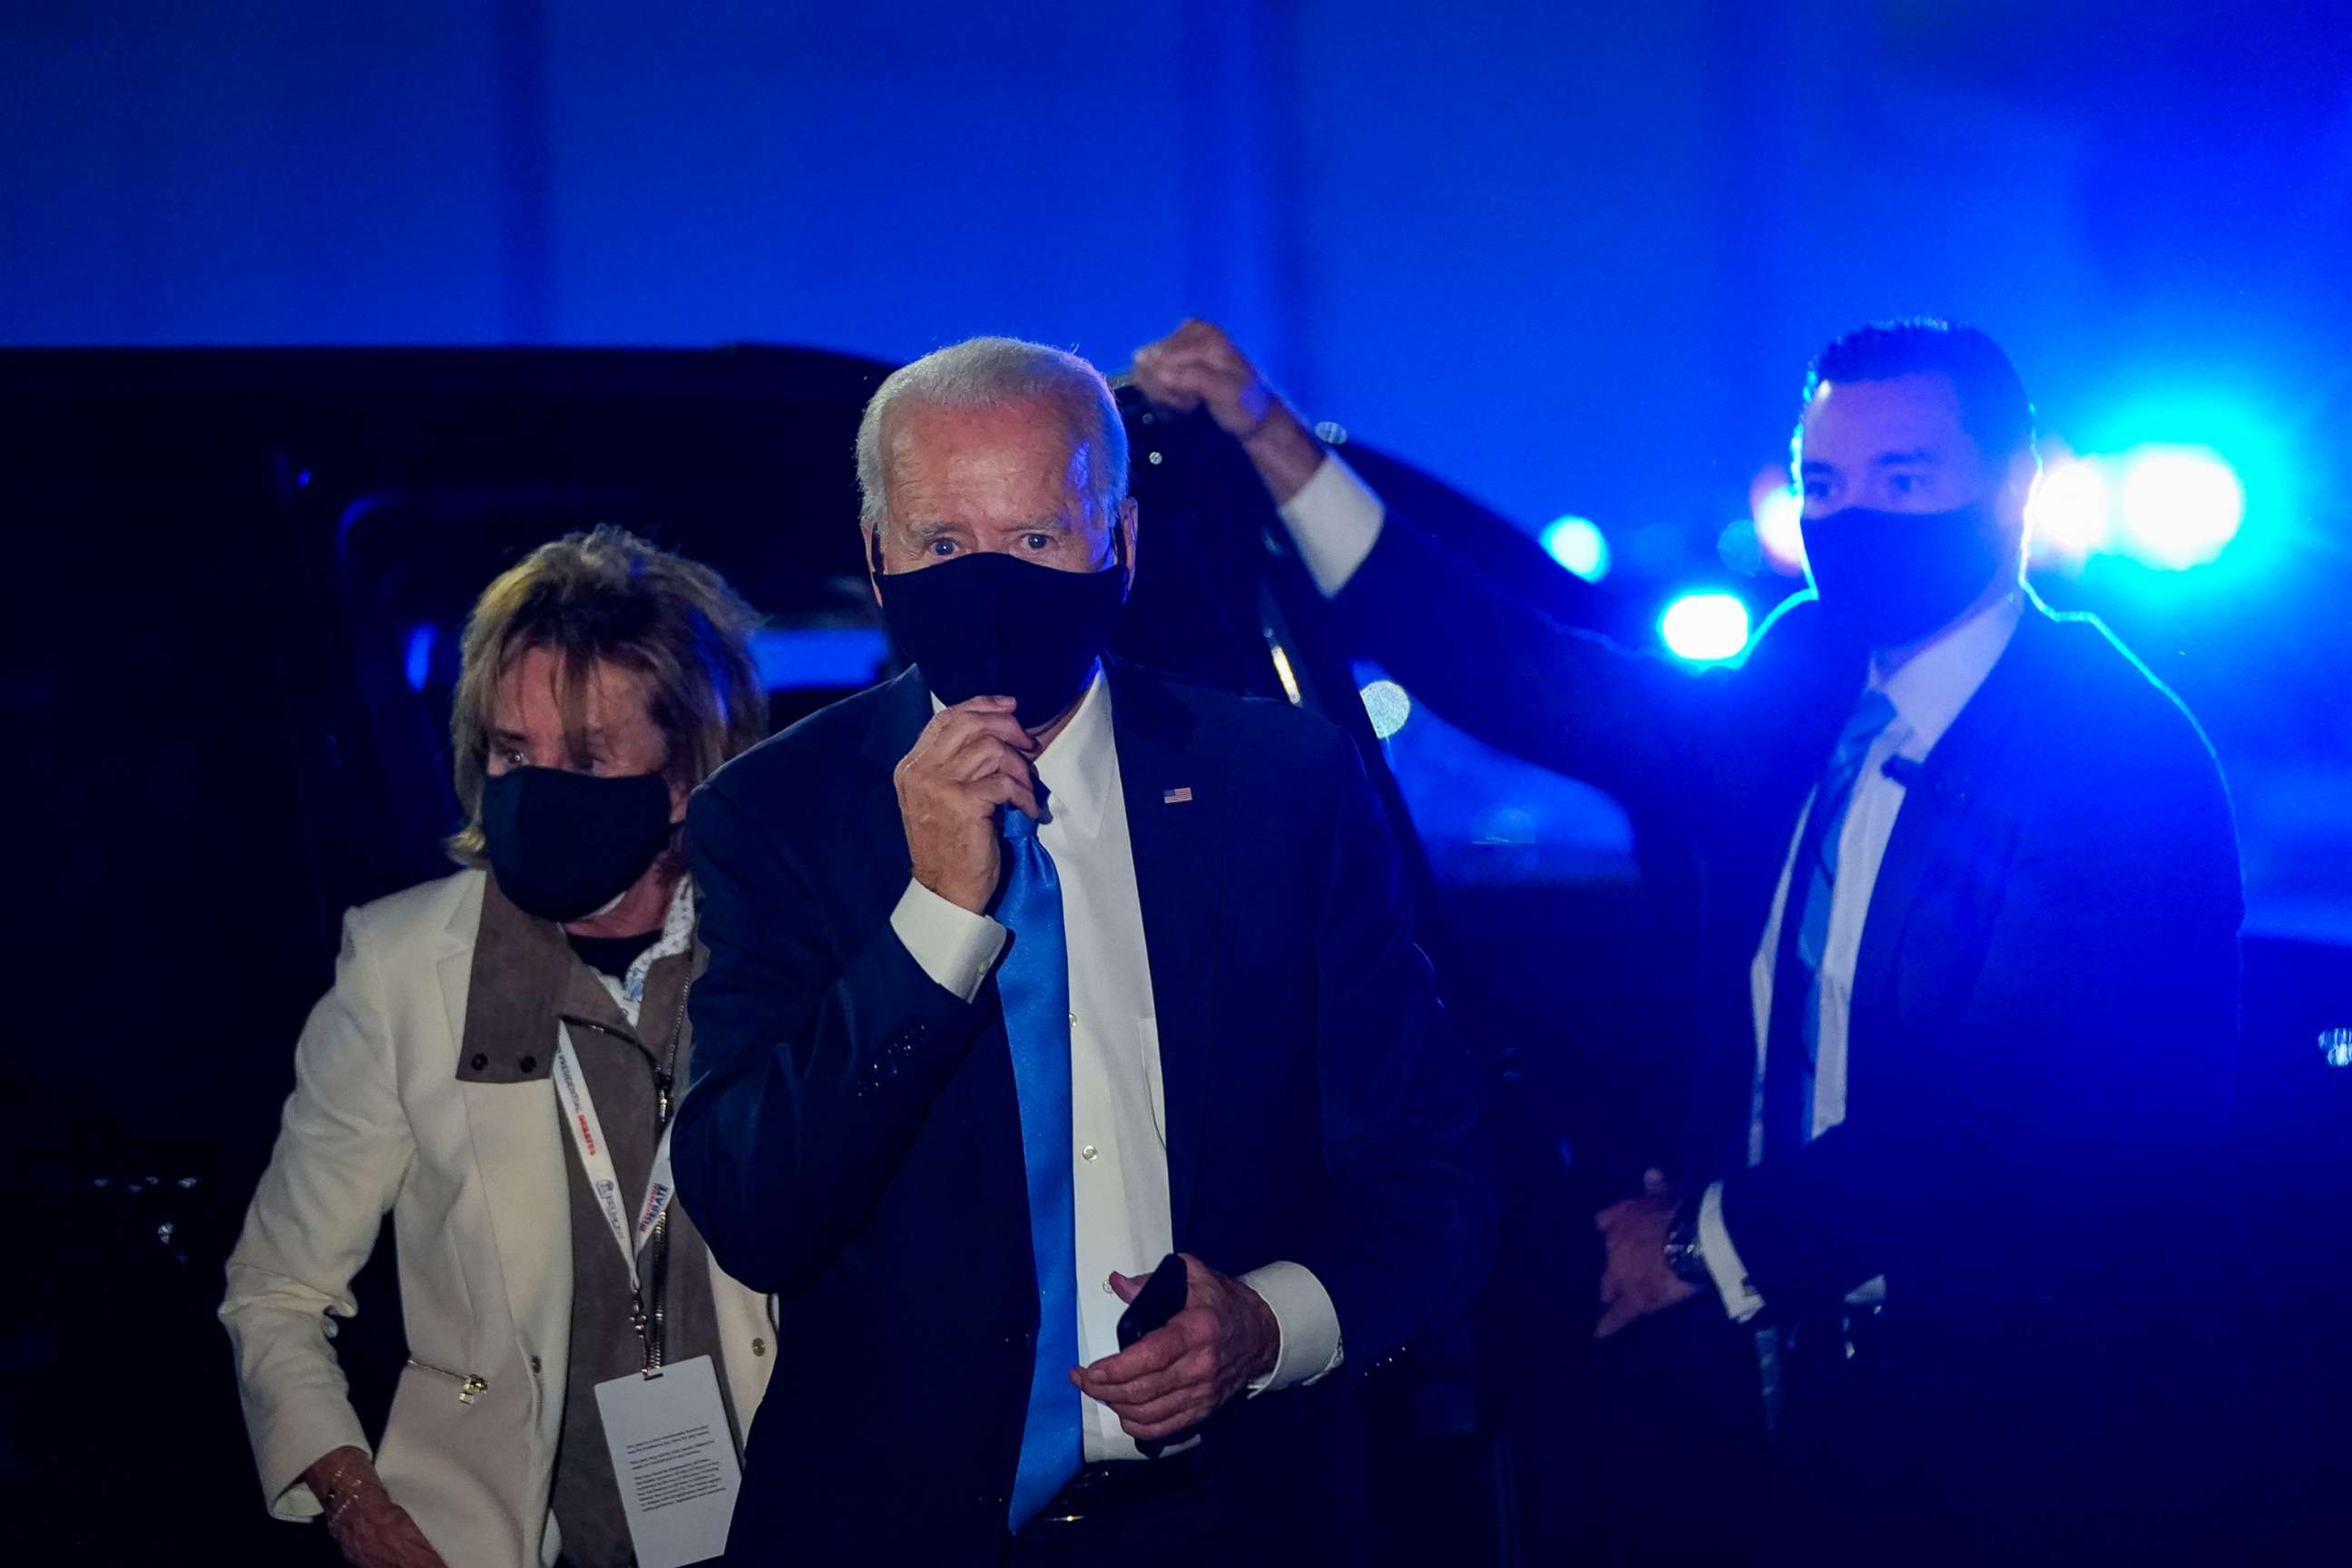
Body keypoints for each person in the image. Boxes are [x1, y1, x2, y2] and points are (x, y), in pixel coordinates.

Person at [1132, 318, 2244, 1561]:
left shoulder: (2118, 755)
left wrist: (1696, 1242)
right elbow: (1541, 683)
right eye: (1825, 483)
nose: (1856, 516)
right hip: (1780, 1373)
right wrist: (1272, 441)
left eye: (1906, 479)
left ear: (2017, 483)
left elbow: (2005, 1124)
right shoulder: (1812, 674)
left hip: (2017, 1405)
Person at [670, 336, 1494, 1564]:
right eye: (946, 545)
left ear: (1120, 543)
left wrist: (1271, 1325)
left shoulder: (1280, 788)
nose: (991, 584)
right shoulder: (774, 815)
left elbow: (1434, 1172)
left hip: (1231, 1520)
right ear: (879, 557)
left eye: (1040, 538)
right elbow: (755, 1210)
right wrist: (939, 915)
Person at [221, 526, 777, 1568]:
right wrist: (358, 1503)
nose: (534, 786)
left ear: (686, 776)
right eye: (511, 751)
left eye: (586, 756)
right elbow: (276, 1294)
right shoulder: (403, 969)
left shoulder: (779, 957)